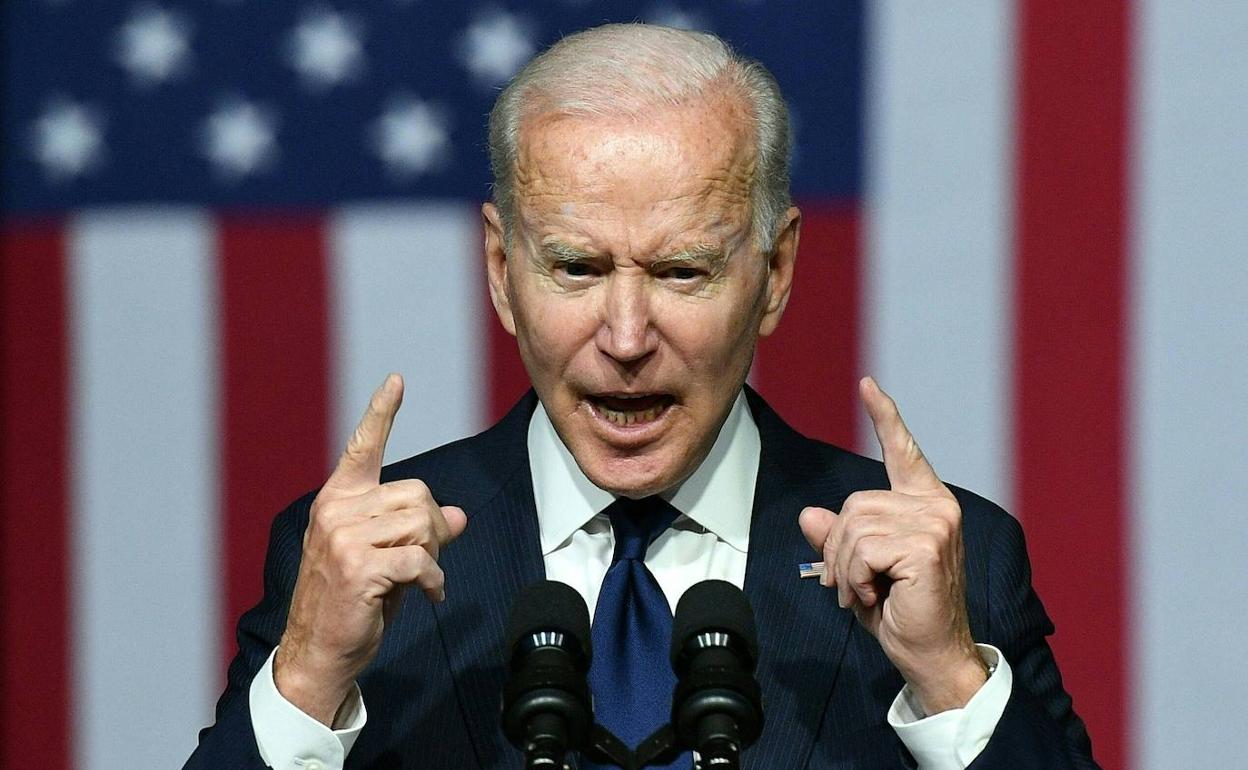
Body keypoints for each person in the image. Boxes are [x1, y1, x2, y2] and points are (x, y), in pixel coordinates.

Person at [187, 23, 1096, 770]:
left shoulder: (956, 565)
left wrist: (948, 678)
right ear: (502, 271)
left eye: (682, 271)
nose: (625, 338)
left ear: (775, 272)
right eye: (576, 268)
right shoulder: (355, 567)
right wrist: (308, 678)